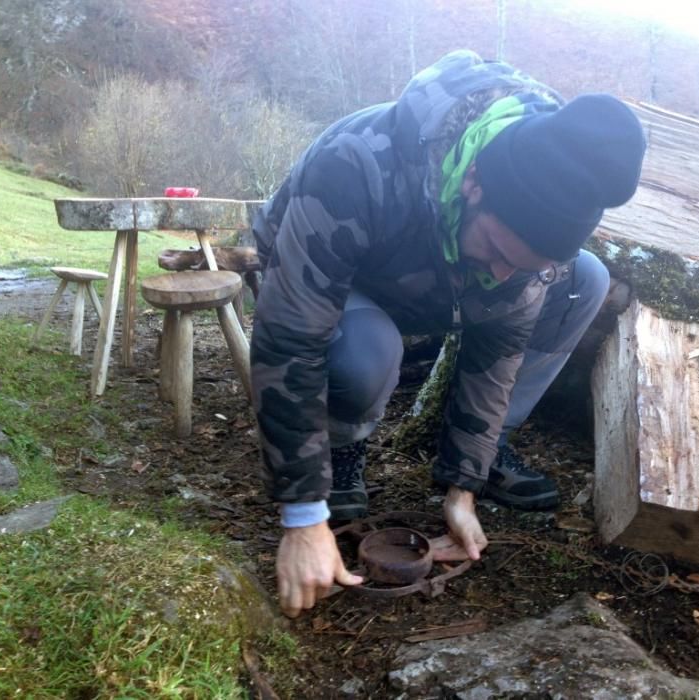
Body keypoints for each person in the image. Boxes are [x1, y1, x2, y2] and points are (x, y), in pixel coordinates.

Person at [250, 50, 646, 617]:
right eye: (501, 252)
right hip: (322, 278)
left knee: (586, 280)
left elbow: (498, 355)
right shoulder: (357, 165)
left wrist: (463, 488)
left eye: (525, 267)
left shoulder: (529, 221)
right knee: (369, 353)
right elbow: (290, 335)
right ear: (475, 183)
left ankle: (488, 451)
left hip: (430, 282)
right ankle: (340, 448)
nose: (503, 275)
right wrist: (302, 515)